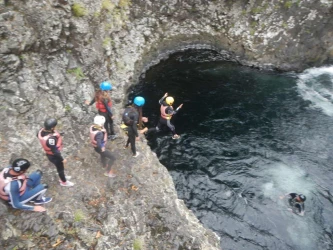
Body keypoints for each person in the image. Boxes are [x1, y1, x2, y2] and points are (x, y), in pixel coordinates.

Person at [37, 118, 74, 187]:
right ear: (51, 128)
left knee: (60, 168)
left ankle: (63, 177)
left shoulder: (41, 131)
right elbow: (55, 152)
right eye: (54, 126)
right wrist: (62, 159)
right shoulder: (51, 139)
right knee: (60, 169)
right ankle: (63, 182)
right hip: (54, 156)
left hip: (50, 154)